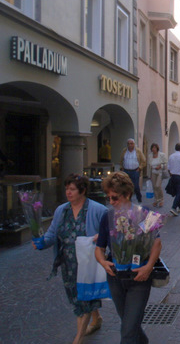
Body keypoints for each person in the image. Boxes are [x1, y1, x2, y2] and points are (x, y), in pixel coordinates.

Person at [32, 174, 108, 344]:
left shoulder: (97, 210)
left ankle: (77, 339)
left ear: (83, 190)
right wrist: (42, 242)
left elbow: (108, 233)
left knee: (84, 299)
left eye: (72, 189)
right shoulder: (62, 210)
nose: (68, 192)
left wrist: (100, 238)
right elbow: (52, 233)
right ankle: (97, 319)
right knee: (77, 296)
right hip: (68, 262)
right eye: (67, 189)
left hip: (88, 262)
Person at [95, 172, 162, 344]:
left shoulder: (146, 213)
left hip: (139, 277)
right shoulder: (107, 216)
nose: (111, 202)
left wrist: (148, 268)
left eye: (115, 198)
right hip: (116, 278)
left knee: (127, 331)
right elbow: (99, 248)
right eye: (108, 197)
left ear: (127, 194)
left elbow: (156, 244)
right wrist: (103, 262)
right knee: (129, 324)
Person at [119, 138, 146, 203]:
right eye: (128, 144)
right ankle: (129, 201)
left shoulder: (138, 151)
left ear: (134, 144)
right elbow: (121, 160)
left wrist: (139, 168)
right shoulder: (124, 151)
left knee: (136, 187)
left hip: (135, 171)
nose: (130, 145)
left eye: (131, 143)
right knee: (127, 187)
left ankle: (139, 198)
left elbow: (144, 161)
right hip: (126, 171)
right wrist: (121, 168)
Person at [167, 143, 180, 216]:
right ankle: (173, 207)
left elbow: (168, 167)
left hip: (173, 176)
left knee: (176, 192)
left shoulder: (171, 156)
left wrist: (170, 174)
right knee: (179, 192)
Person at [147, 143, 168, 207]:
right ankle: (156, 200)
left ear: (157, 148)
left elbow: (165, 163)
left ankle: (161, 199)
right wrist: (149, 175)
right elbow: (149, 166)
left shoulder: (162, 155)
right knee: (154, 186)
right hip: (153, 172)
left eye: (155, 148)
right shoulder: (150, 156)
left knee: (157, 186)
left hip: (159, 172)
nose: (153, 149)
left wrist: (160, 166)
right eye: (152, 148)